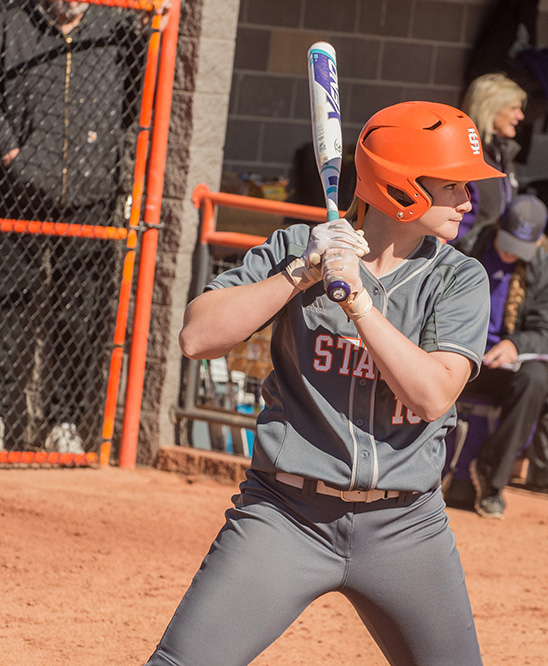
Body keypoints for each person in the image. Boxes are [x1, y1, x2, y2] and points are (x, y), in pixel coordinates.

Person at [144, 101, 505, 666]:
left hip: (406, 526)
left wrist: (359, 301)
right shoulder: (298, 249)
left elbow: (432, 395)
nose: (467, 200)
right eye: (453, 185)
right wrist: (300, 275)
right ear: (401, 187)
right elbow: (196, 336)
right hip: (287, 515)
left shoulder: (458, 277)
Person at [0, 0, 146, 452]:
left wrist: (141, 34)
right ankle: (3, 417)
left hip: (91, 191)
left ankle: (62, 422)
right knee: (9, 306)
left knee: (78, 312)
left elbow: (134, 102)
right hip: (19, 188)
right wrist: (9, 151)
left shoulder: (119, 28)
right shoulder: (11, 20)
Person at [458, 194, 548, 519]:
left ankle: (492, 477)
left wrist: (516, 345)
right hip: (456, 355)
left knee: (536, 378)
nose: (510, 252)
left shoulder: (546, 272)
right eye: (507, 241)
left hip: (499, 366)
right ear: (498, 227)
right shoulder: (467, 249)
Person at [451, 72, 526, 252]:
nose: (521, 116)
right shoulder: (463, 152)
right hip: (461, 257)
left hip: (490, 257)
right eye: (514, 108)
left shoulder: (502, 153)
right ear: (491, 107)